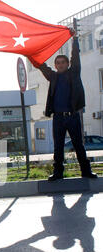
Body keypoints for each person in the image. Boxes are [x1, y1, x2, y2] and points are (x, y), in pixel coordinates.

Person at [29, 29, 97, 181]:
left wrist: (75, 40)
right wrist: (29, 53)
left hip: (73, 116)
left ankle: (86, 171)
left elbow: (76, 57)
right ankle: (58, 173)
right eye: (57, 63)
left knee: (79, 145)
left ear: (67, 64)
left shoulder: (74, 73)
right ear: (56, 65)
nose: (60, 65)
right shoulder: (52, 77)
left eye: (63, 62)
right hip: (58, 118)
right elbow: (41, 65)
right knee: (58, 146)